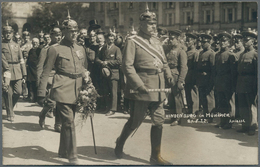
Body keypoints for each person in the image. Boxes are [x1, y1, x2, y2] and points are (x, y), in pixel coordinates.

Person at [114, 6, 173, 165]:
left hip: (158, 87)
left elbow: (164, 62)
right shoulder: (133, 41)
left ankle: (155, 156)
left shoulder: (156, 41)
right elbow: (127, 66)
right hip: (142, 87)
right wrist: (139, 85)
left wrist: (168, 74)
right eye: (150, 24)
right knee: (135, 121)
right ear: (141, 25)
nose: (154, 27)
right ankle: (120, 143)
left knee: (158, 121)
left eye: (155, 23)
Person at [37, 12, 86, 164]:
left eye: (76, 31)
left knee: (67, 122)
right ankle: (73, 156)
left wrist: (88, 85)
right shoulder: (55, 49)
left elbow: (83, 68)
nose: (74, 34)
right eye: (71, 31)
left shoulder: (80, 48)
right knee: (69, 121)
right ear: (64, 31)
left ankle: (63, 151)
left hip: (77, 89)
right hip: (62, 87)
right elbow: (46, 72)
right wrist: (40, 93)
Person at [37, 23, 62, 132]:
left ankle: (58, 124)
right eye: (55, 35)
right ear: (51, 36)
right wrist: (41, 84)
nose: (58, 37)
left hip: (61, 77)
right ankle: (43, 114)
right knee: (51, 102)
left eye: (60, 34)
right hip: (50, 78)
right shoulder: (46, 49)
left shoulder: (63, 47)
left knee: (61, 102)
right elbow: (40, 67)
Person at [2, 21, 27, 122]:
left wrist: (24, 74)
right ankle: (10, 113)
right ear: (3, 34)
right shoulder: (1, 45)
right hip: (5, 70)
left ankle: (10, 107)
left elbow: (21, 60)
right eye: (6, 32)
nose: (8, 34)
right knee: (7, 92)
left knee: (18, 92)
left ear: (12, 33)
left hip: (17, 70)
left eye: (9, 32)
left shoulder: (17, 45)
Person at [236, 29, 258, 136]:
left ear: (253, 41)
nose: (245, 41)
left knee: (251, 105)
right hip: (241, 82)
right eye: (244, 39)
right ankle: (245, 125)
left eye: (247, 40)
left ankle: (253, 126)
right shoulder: (242, 55)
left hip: (250, 83)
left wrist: (256, 86)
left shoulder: (255, 55)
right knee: (243, 105)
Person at [96, 29, 122, 116]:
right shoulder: (103, 48)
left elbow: (119, 61)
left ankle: (113, 109)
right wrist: (102, 62)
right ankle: (107, 107)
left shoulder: (117, 49)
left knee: (113, 91)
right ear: (106, 38)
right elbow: (97, 59)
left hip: (114, 73)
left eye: (112, 38)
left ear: (114, 39)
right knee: (106, 91)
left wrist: (108, 62)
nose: (110, 39)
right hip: (104, 73)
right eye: (109, 37)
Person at [214, 32, 237, 129]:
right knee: (221, 102)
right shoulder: (217, 55)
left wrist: (232, 84)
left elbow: (233, 72)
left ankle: (230, 122)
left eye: (224, 41)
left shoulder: (231, 55)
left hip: (227, 82)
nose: (222, 43)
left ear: (228, 43)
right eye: (220, 41)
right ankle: (223, 121)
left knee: (229, 102)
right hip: (219, 81)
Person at [166, 30, 188, 126]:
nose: (170, 41)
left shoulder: (181, 51)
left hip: (176, 76)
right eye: (170, 39)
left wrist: (181, 81)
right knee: (170, 98)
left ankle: (178, 117)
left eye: (172, 39)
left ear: (178, 39)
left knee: (177, 98)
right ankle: (173, 116)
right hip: (169, 77)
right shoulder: (168, 50)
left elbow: (184, 67)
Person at [196, 33, 215, 122]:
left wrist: (211, 82)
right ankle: (205, 115)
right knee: (202, 97)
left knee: (209, 98)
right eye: (202, 42)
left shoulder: (211, 54)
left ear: (209, 43)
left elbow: (213, 69)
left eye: (205, 42)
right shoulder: (201, 53)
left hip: (208, 79)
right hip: (201, 78)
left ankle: (210, 116)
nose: (202, 44)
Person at [185, 33, 200, 115]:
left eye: (189, 41)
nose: (187, 43)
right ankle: (189, 109)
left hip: (192, 75)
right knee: (187, 93)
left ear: (194, 41)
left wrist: (195, 78)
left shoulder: (195, 53)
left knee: (193, 93)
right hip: (186, 75)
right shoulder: (186, 52)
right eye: (186, 41)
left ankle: (194, 111)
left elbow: (196, 67)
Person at [26, 38, 40, 102]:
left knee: (36, 83)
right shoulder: (31, 50)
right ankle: (31, 97)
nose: (35, 43)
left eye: (36, 42)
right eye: (33, 42)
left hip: (36, 69)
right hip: (30, 69)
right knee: (30, 83)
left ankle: (36, 98)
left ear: (38, 43)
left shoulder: (39, 50)